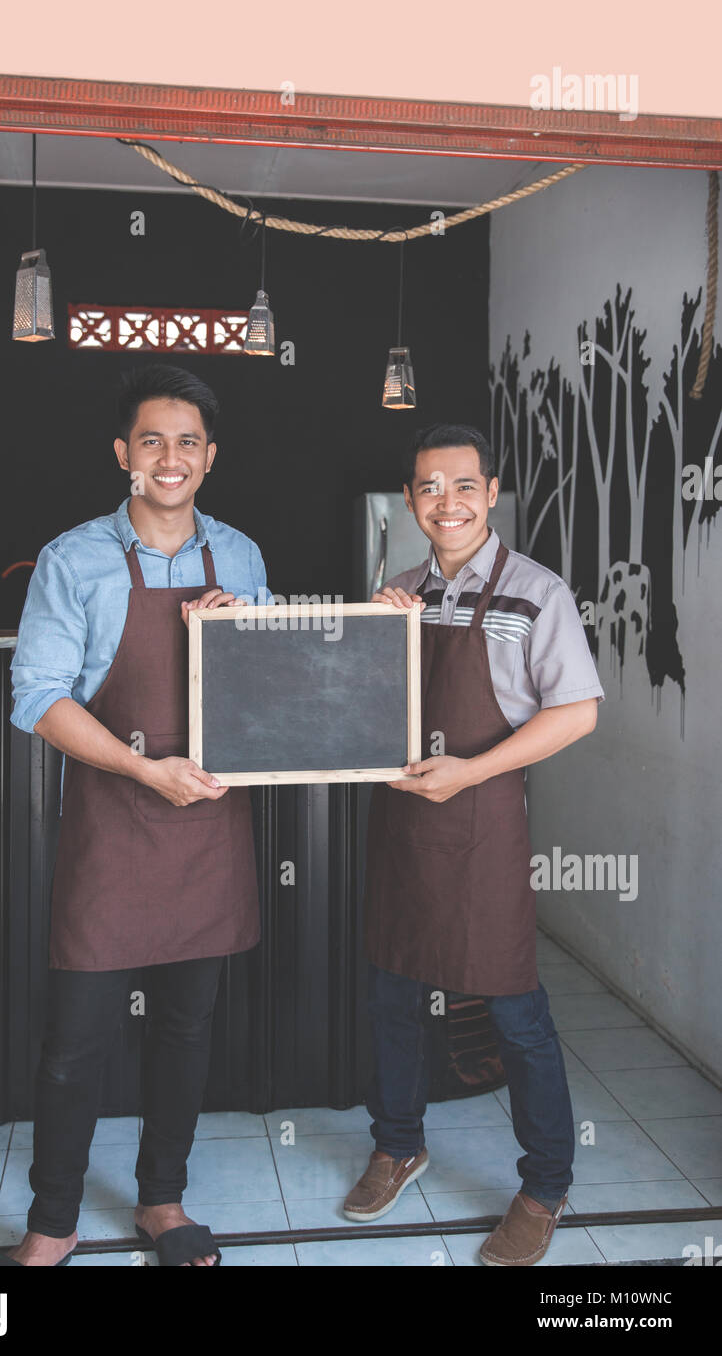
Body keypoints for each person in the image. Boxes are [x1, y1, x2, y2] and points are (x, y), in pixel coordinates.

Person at [0, 363, 266, 1268]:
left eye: (188, 441)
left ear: (211, 457)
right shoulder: (73, 559)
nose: (171, 457)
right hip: (115, 823)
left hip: (209, 826)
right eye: (152, 439)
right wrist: (145, 770)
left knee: (187, 1030)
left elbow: (267, 698)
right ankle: (53, 1219)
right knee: (76, 1043)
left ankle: (162, 1200)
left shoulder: (242, 556)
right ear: (123, 454)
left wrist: (237, 642)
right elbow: (36, 697)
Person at [344, 422, 604, 1266]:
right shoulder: (401, 587)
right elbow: (363, 702)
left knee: (515, 1011)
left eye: (462, 486)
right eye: (428, 487)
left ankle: (545, 1186)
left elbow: (577, 713)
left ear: (491, 493)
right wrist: (373, 634)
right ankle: (398, 1144)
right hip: (403, 822)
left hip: (485, 823)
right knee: (389, 994)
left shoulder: (538, 593)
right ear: (412, 499)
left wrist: (472, 771)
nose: (445, 503)